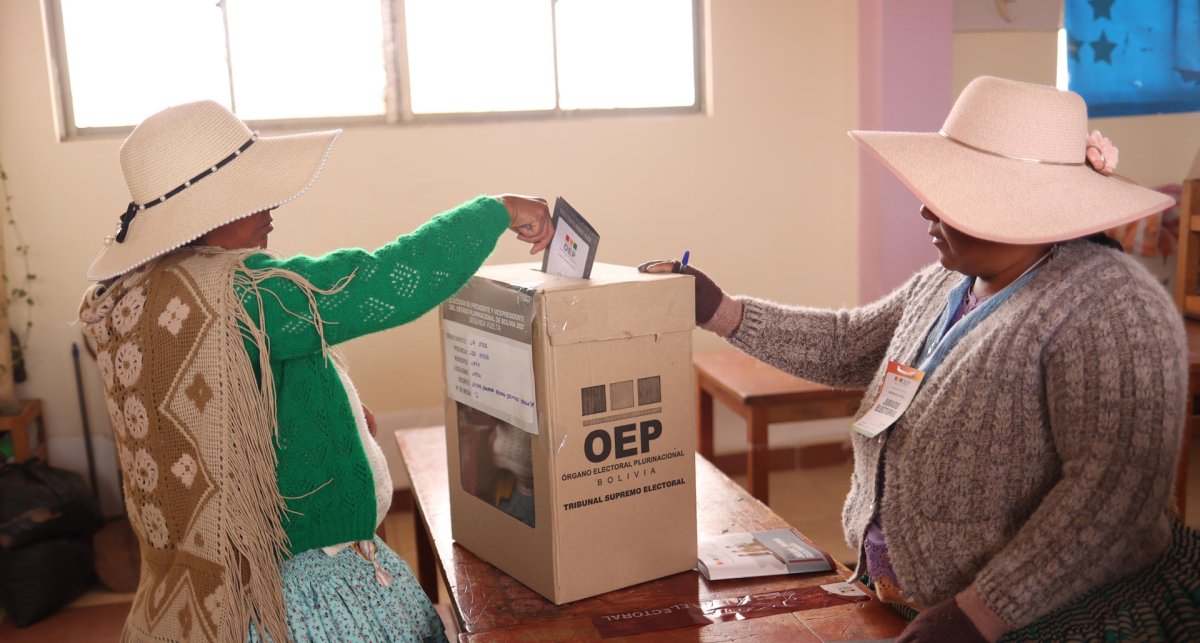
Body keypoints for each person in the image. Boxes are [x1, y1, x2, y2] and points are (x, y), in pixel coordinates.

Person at [643, 76, 1196, 641]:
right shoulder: (949, 281)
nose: (926, 210)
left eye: (950, 195)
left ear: (1027, 206)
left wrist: (978, 613)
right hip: (917, 609)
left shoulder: (1111, 305)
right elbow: (846, 345)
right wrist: (720, 309)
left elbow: (1112, 498)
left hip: (1042, 622)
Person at [78, 100, 553, 643]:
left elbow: (237, 401)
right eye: (251, 196)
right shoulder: (240, 294)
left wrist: (339, 415)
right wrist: (497, 211)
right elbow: (382, 283)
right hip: (304, 598)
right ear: (204, 217)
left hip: (224, 591)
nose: (272, 209)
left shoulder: (145, 295)